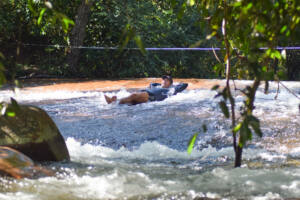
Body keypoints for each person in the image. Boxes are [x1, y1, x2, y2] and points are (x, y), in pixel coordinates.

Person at [104, 75, 188, 105]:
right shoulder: (157, 85)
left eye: (167, 80)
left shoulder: (171, 89)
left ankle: (113, 102)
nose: (164, 81)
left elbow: (185, 85)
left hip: (151, 96)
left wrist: (174, 85)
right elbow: (152, 84)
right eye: (164, 80)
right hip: (146, 94)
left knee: (133, 96)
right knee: (131, 101)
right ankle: (115, 102)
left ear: (170, 83)